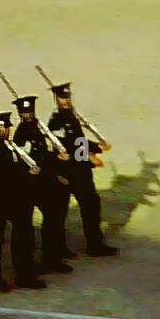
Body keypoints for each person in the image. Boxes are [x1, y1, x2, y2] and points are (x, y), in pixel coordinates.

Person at [47, 82, 118, 257]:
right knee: (59, 212)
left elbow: (79, 140)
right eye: (62, 98)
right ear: (56, 99)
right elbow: (65, 146)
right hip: (67, 172)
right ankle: (59, 249)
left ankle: (95, 244)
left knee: (91, 206)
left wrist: (98, 147)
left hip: (81, 171)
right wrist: (89, 156)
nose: (66, 101)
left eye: (67, 97)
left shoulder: (71, 116)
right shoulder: (56, 122)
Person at [0, 112, 46, 291]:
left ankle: (25, 274)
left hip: (18, 197)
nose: (6, 130)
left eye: (8, 126)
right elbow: (0, 173)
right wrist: (26, 175)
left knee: (24, 236)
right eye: (2, 127)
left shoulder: (12, 146)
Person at [13, 94, 73, 274]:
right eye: (24, 112)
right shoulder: (21, 134)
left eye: (30, 111)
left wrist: (57, 160)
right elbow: (24, 162)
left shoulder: (38, 129)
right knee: (29, 228)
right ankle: (37, 264)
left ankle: (53, 257)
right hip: (30, 185)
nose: (28, 115)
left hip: (44, 181)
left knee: (53, 219)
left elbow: (44, 156)